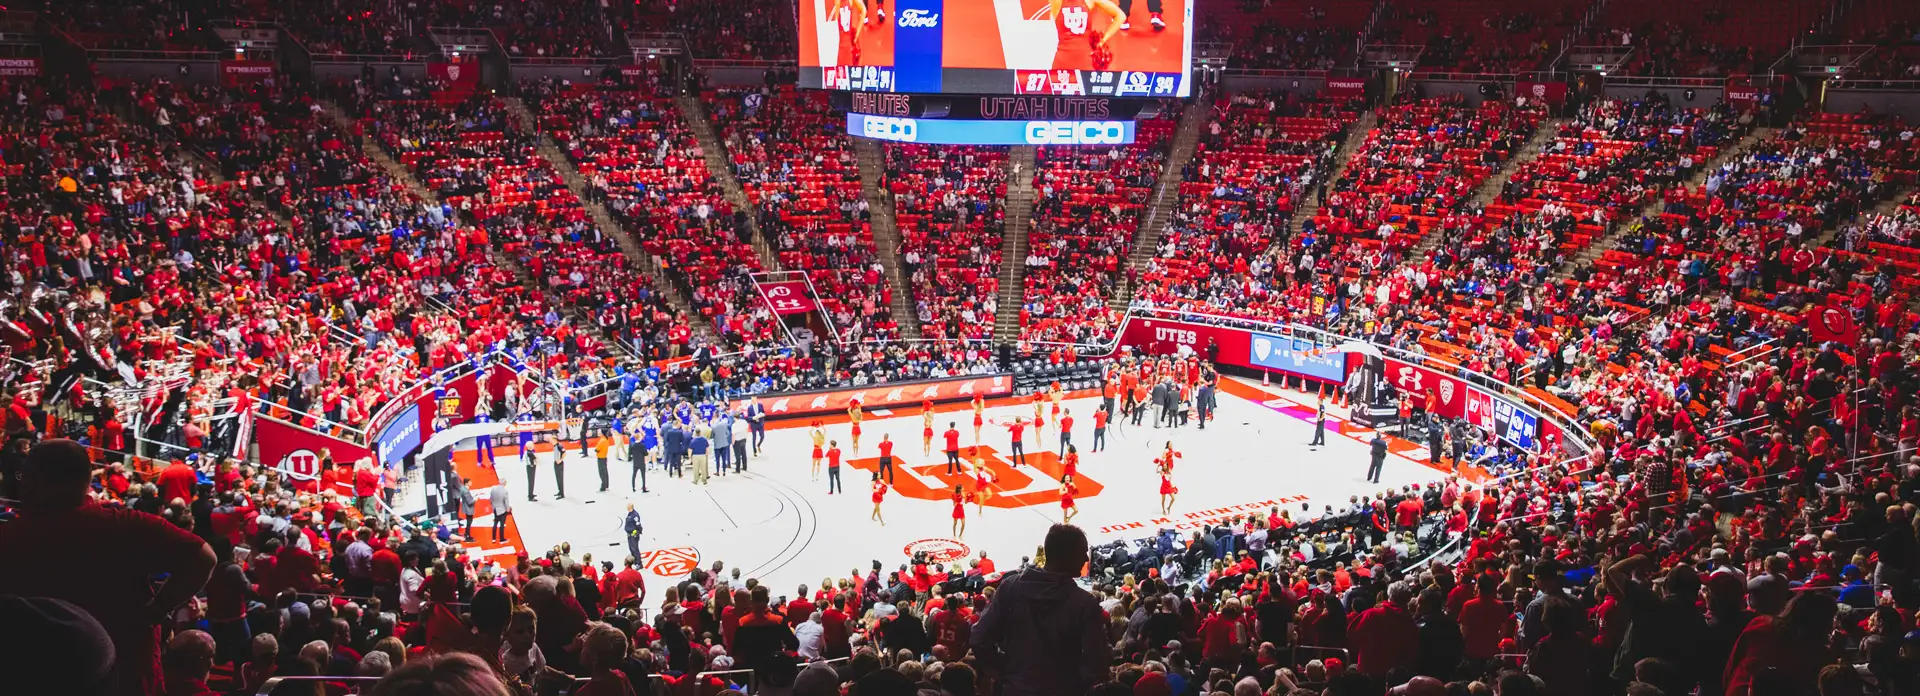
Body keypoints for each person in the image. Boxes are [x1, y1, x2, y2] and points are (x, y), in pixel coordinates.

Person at [0, 439, 218, 696]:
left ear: (33, 480)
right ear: (85, 480)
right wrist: (158, 609)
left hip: (35, 676)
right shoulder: (125, 525)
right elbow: (204, 558)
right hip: (127, 673)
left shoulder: (9, 538)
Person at [971, 524, 1110, 696]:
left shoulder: (1010, 587)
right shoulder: (1084, 603)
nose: (1086, 558)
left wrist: (1004, 674)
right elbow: (1097, 661)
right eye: (1082, 552)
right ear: (1067, 555)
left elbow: (979, 638)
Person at [1157, 443, 1180, 515]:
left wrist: (1173, 486)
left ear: (1167, 466)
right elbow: (1157, 471)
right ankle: (1163, 510)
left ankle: (1169, 507)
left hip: (1169, 486)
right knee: (1163, 500)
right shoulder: (1162, 472)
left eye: (1165, 466)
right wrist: (1158, 465)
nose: (1164, 467)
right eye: (1163, 466)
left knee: (1173, 498)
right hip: (1164, 487)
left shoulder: (1169, 471)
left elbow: (1170, 479)